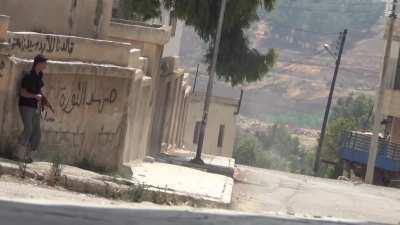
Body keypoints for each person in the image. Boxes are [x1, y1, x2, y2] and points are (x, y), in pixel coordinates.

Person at [15, 54, 48, 163]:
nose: (46, 65)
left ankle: (28, 156)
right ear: (38, 64)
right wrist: (35, 96)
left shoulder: (40, 75)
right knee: (28, 128)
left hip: (35, 107)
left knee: (37, 133)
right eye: (44, 63)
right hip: (26, 106)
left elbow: (39, 90)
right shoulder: (28, 76)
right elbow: (22, 92)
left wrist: (43, 98)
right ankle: (18, 153)